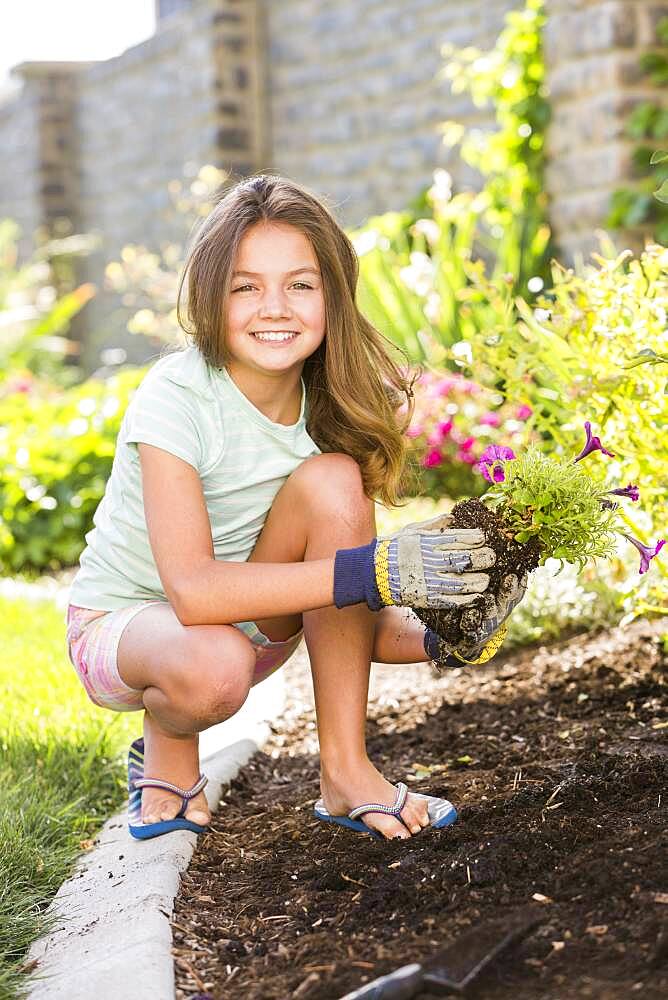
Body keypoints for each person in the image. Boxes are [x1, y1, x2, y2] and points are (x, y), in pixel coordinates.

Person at [65, 175, 524, 843]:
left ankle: (345, 772)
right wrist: (381, 569)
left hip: (249, 623)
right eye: (244, 286)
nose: (273, 307)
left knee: (336, 481)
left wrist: (445, 630)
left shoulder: (332, 407)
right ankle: (166, 739)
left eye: (300, 285)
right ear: (208, 296)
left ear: (332, 296)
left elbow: (341, 609)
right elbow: (192, 592)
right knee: (214, 664)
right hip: (129, 628)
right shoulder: (178, 395)